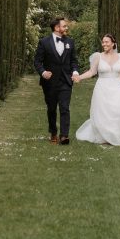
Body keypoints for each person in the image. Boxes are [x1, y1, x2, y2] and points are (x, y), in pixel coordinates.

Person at [33, 17, 80, 145]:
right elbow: (37, 61)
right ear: (56, 28)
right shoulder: (44, 42)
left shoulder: (70, 41)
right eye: (64, 26)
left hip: (65, 81)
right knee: (52, 108)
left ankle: (64, 136)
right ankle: (53, 132)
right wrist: (43, 72)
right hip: (50, 83)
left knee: (65, 108)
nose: (66, 28)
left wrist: (75, 72)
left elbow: (74, 61)